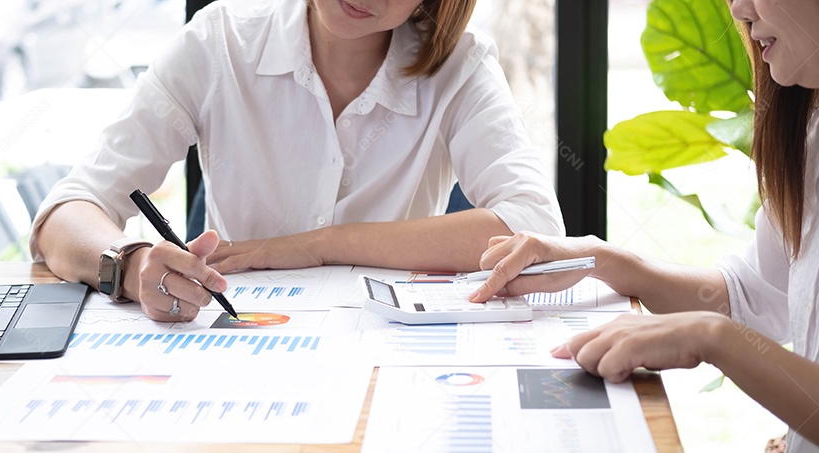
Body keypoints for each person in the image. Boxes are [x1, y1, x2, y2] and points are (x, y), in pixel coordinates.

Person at [31, 0, 564, 322]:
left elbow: (535, 226)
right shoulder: (220, 40)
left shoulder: (461, 65)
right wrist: (128, 265)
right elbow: (66, 214)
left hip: (391, 360)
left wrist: (311, 247)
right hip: (241, 343)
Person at [469, 0, 819, 448]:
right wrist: (601, 258)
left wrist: (711, 338)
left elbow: (735, 321)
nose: (738, 8)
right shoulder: (813, 132)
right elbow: (751, 296)